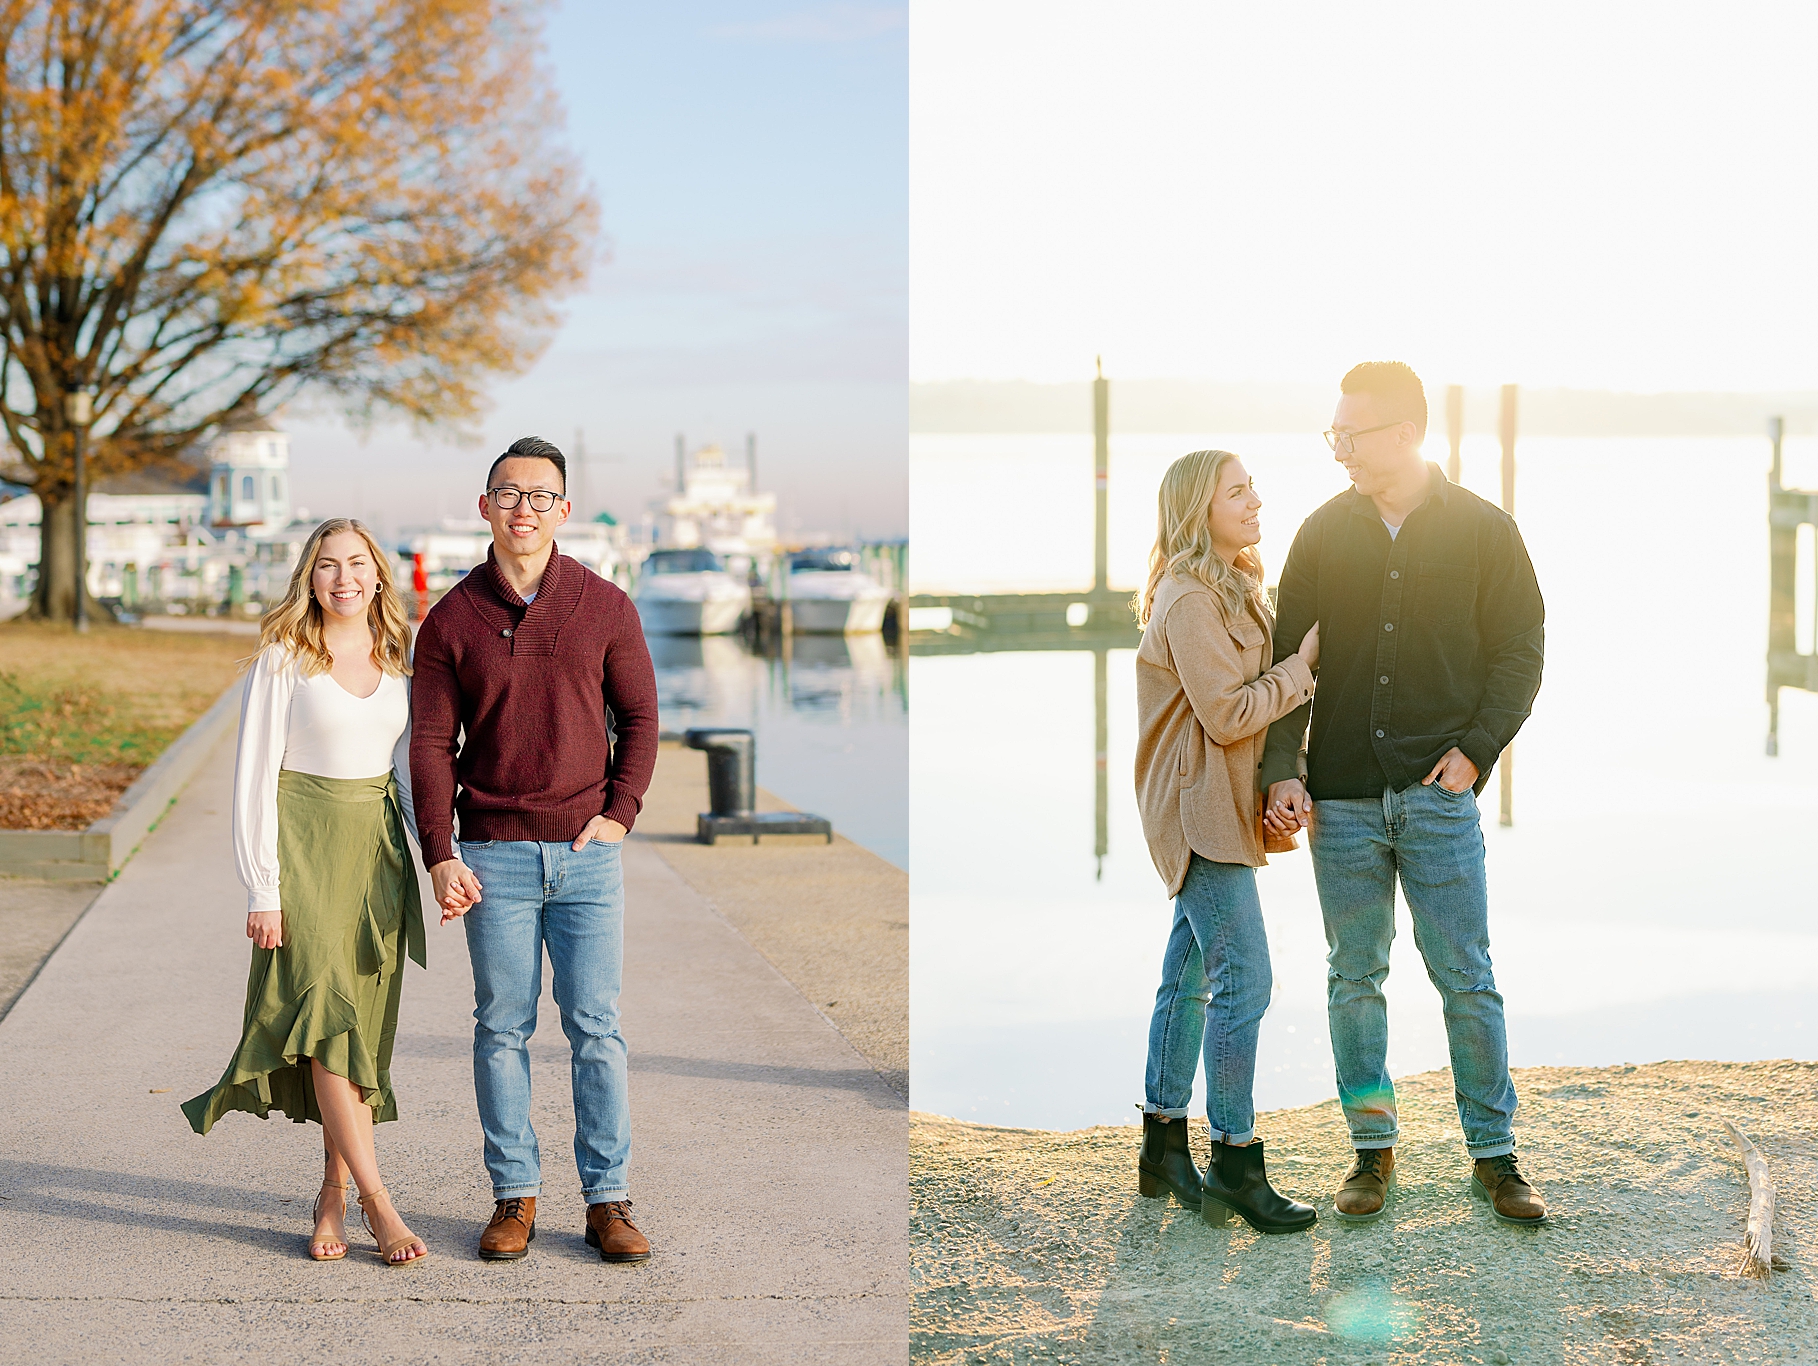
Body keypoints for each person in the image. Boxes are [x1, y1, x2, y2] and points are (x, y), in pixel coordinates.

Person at [1261, 361, 1547, 1227]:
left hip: (1438, 794)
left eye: (1352, 434)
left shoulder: (1486, 532)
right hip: (1340, 801)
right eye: (1334, 435)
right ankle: (1370, 1152)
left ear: (1406, 433)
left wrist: (1478, 750)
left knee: (1467, 975)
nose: (1339, 448)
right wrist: (1284, 765)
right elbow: (1286, 661)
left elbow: (1520, 652)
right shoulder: (1318, 534)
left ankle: (1494, 1158)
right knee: (1356, 976)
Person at [411, 436, 660, 1263]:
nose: (525, 509)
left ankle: (608, 1201)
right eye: (508, 494)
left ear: (563, 508)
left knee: (596, 1027)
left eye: (541, 495)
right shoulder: (450, 618)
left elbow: (642, 720)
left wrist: (620, 812)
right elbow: (431, 745)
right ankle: (513, 1196)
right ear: (484, 506)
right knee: (501, 1028)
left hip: (588, 855)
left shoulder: (606, 605)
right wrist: (440, 852)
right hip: (495, 857)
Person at [182, 518, 429, 1267]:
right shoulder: (285, 655)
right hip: (305, 848)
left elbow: (409, 774)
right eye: (327, 566)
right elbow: (254, 774)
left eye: (357, 563)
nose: (344, 577)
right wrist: (263, 887)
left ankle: (330, 1192)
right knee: (324, 1015)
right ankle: (380, 1203)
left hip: (376, 855)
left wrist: (439, 859)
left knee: (358, 1030)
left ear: (378, 575)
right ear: (309, 578)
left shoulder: (398, 655)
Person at [1133, 449, 1321, 1235]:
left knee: (1188, 977)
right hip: (1195, 806)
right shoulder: (1186, 598)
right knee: (1246, 978)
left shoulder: (1234, 585)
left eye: (1252, 488)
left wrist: (1285, 775)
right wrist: (1304, 670)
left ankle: (1162, 1147)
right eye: (1236, 491)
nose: (1254, 500)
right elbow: (1229, 714)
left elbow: (1249, 713)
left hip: (1219, 799)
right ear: (1198, 509)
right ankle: (1236, 1158)